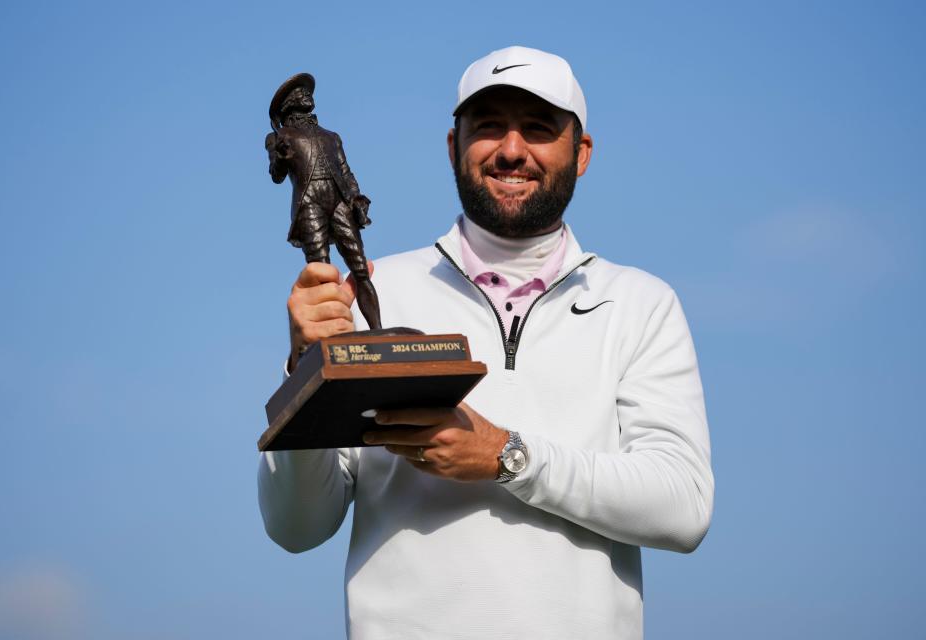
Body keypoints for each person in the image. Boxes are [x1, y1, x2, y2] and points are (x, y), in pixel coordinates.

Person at [258, 46, 714, 640]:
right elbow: (297, 527)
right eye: (489, 126)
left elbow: (682, 508)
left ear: (582, 153)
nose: (511, 149)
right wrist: (305, 367)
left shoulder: (640, 303)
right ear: (454, 147)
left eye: (539, 128)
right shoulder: (372, 292)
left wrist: (506, 455)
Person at [265, 72, 381, 331]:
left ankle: (378, 331)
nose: (306, 95)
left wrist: (356, 196)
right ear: (287, 105)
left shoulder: (331, 136)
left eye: (307, 91)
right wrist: (282, 155)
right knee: (323, 275)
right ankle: (332, 339)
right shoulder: (280, 137)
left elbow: (345, 170)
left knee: (360, 268)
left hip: (339, 201)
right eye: (299, 92)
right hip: (309, 203)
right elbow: (276, 175)